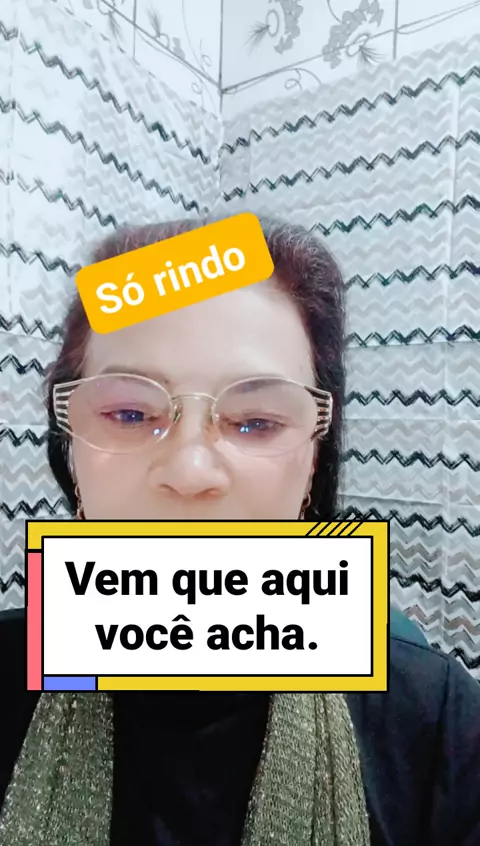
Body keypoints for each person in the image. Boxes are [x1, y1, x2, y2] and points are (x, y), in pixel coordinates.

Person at [0, 215, 479, 846]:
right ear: (71, 445)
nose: (191, 472)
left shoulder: (437, 722)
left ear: (314, 457)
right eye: (128, 413)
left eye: (255, 421)